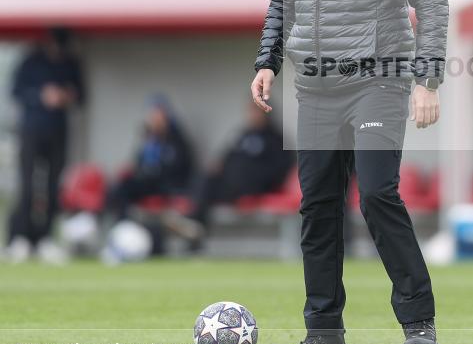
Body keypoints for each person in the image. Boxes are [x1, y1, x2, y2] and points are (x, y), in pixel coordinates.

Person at [251, 0, 449, 344]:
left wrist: (427, 80)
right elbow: (281, 0)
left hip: (378, 82)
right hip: (316, 89)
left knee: (378, 193)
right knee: (317, 206)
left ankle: (419, 322)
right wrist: (267, 61)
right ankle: (324, 334)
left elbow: (432, 2)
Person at [5, 27, 85, 264]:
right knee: (27, 185)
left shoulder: (71, 64)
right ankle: (20, 238)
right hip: (31, 130)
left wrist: (66, 96)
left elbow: (81, 96)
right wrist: (41, 95)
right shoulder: (31, 62)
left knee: (52, 187)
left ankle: (45, 239)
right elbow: (16, 91)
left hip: (58, 132)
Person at [185, 100, 295, 239]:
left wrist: (256, 177)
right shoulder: (243, 135)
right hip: (231, 184)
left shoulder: (276, 139)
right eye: (251, 111)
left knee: (211, 187)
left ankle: (194, 226)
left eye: (257, 111)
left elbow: (280, 170)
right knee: (206, 179)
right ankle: (193, 224)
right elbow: (226, 157)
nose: (253, 115)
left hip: (254, 187)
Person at [105, 94, 194, 222]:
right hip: (149, 181)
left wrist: (152, 169)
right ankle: (122, 222)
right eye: (152, 116)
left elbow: (176, 167)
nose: (154, 120)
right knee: (120, 187)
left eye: (157, 116)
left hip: (167, 186)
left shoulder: (176, 139)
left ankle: (126, 222)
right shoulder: (150, 139)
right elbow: (138, 162)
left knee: (128, 188)